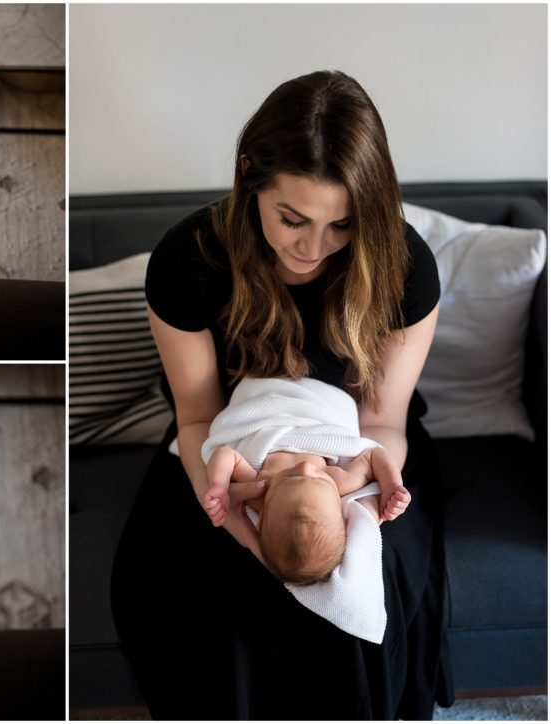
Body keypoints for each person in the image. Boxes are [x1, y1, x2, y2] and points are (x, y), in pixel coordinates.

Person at [110, 70, 451, 719]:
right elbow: (197, 416)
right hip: (225, 443)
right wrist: (244, 528)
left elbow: (384, 421)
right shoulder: (189, 260)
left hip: (361, 444)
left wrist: (351, 481)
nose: (312, 247)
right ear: (249, 178)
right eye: (292, 218)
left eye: (341, 225)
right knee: (224, 592)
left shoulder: (405, 269)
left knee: (361, 585)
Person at [200, 376, 412, 584]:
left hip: (265, 402)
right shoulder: (341, 481)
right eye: (320, 479)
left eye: (290, 478)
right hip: (322, 405)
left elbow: (226, 456)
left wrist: (219, 484)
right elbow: (374, 455)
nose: (306, 468)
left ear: (262, 517)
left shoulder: (259, 489)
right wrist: (391, 485)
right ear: (341, 511)